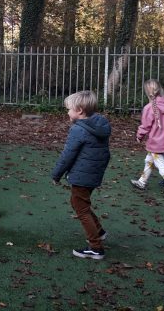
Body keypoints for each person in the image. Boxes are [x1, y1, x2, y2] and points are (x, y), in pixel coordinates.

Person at [51, 90, 111, 260]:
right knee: (79, 203)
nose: (67, 112)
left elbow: (67, 155)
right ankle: (99, 231)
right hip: (93, 174)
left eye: (68, 109)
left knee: (81, 208)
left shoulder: (78, 130)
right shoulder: (99, 125)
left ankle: (96, 247)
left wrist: (56, 175)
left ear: (79, 110)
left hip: (83, 175)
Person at [131, 79, 164, 199]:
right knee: (149, 160)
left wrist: (139, 136)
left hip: (156, 141)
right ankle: (142, 182)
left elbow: (145, 125)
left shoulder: (150, 107)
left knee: (161, 165)